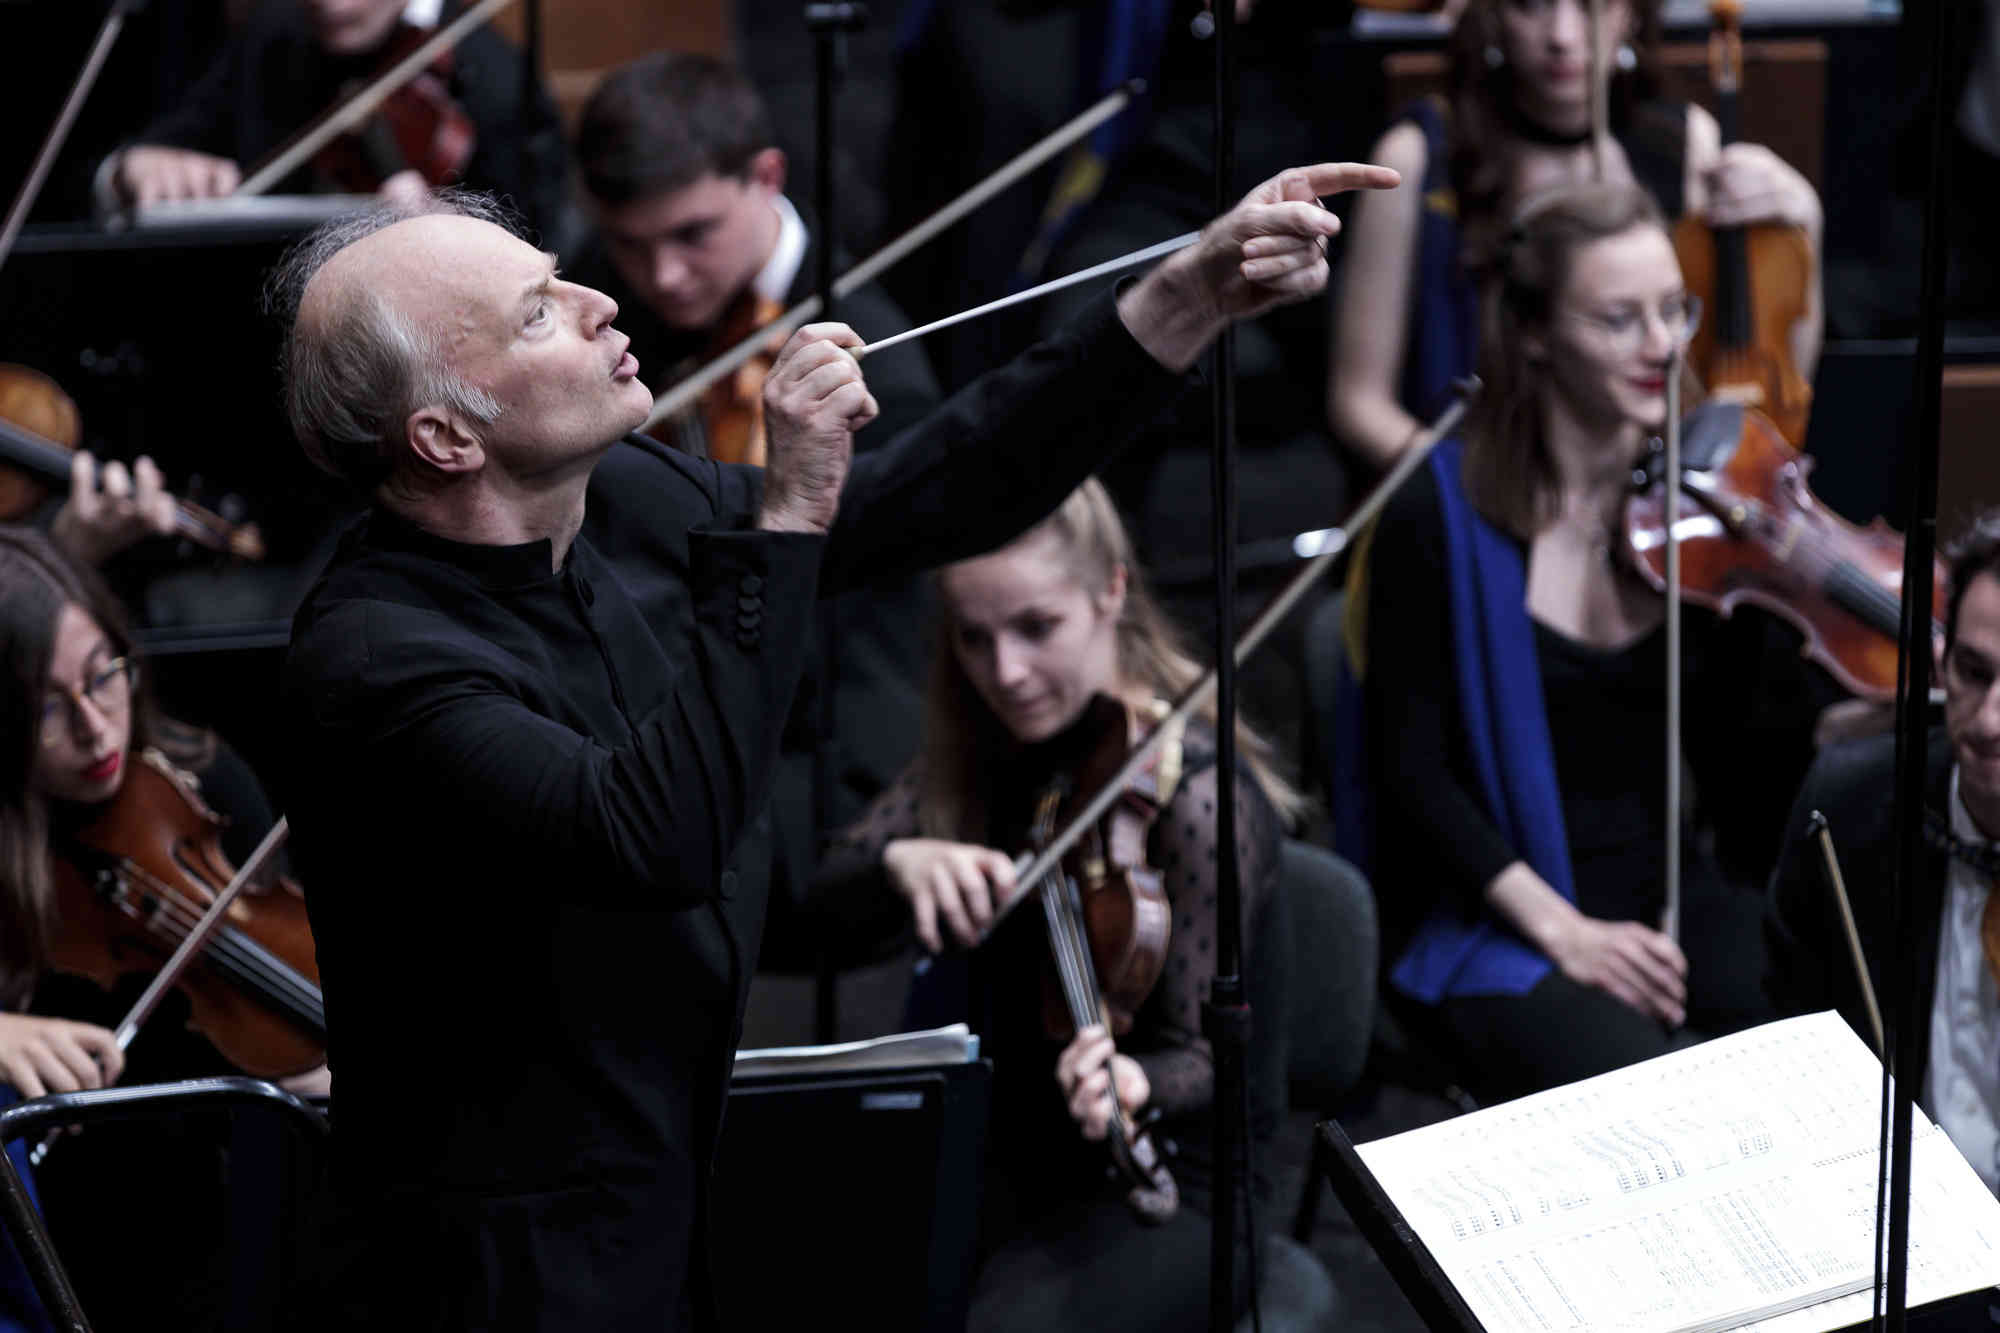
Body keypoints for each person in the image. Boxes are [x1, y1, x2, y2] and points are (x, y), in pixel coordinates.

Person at [267, 161, 1394, 1329]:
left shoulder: (627, 497)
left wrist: (1183, 298)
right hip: (505, 1259)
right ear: (448, 437)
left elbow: (929, 493)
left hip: (674, 1171)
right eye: (540, 312)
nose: (603, 302)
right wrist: (788, 516)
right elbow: (654, 837)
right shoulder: (376, 659)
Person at [1340, 181, 1830, 1105]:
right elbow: (1412, 774)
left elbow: (1751, 774)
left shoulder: (1701, 509)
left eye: (1671, 310)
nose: (1661, 346)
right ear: (1533, 333)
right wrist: (1566, 932)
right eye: (1618, 320)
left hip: (1667, 896)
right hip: (1501, 917)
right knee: (1645, 1097)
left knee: (1811, 1048)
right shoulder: (1435, 510)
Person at [809, 478, 1305, 1331]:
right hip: (1012, 1144)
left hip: (1166, 1180)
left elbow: (1217, 1057)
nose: (1005, 671)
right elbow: (819, 896)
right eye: (974, 637)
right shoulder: (984, 752)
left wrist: (1135, 1075)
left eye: (1037, 628)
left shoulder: (1195, 795)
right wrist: (901, 858)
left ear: (1111, 589)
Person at [569, 52, 943, 975]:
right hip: (655, 747)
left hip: (816, 769)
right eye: (629, 243)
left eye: (693, 233)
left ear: (766, 177)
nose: (664, 277)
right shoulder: (599, 304)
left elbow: (875, 640)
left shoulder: (878, 356)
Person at [0, 526, 305, 1332]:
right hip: (69, 1215)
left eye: (105, 676)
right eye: (44, 713)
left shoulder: (201, 781)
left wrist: (303, 1063)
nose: (97, 730)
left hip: (207, 1187)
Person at [1329, 0, 1823, 469]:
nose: (1563, 37)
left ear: (1630, 13)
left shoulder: (1685, 145)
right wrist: (1469, 497)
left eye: (1591, 5)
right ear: (1495, 14)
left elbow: (1757, 378)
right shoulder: (1417, 159)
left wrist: (1804, 225)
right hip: (1479, 492)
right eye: (1532, 4)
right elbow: (1359, 404)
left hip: (1647, 501)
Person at [1765, 514, 2000, 1195]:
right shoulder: (1846, 811)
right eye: (1973, 673)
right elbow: (1793, 1050)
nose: (1988, 722)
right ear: (1940, 665)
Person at [93, 0, 569, 240]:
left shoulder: (499, 83)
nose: (330, 4)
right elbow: (156, 151)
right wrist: (128, 170)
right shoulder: (270, 37)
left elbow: (538, 259)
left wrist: (457, 242)